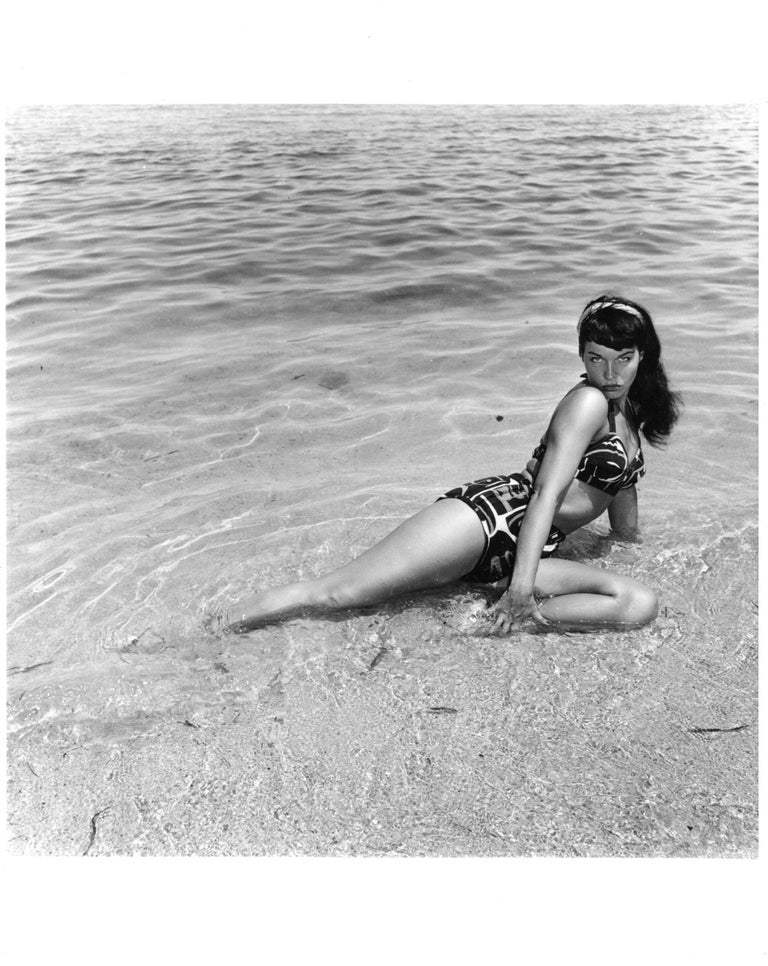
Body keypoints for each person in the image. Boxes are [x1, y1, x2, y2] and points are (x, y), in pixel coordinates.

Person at [221, 294, 681, 635]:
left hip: (531, 548)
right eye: (595, 359)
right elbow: (546, 493)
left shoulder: (629, 411)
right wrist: (521, 588)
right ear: (582, 357)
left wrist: (629, 545)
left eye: (623, 359)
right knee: (337, 594)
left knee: (637, 603)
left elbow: (623, 487)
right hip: (488, 521)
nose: (610, 374)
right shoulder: (588, 403)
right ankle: (213, 627)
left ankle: (488, 620)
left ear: (643, 357)